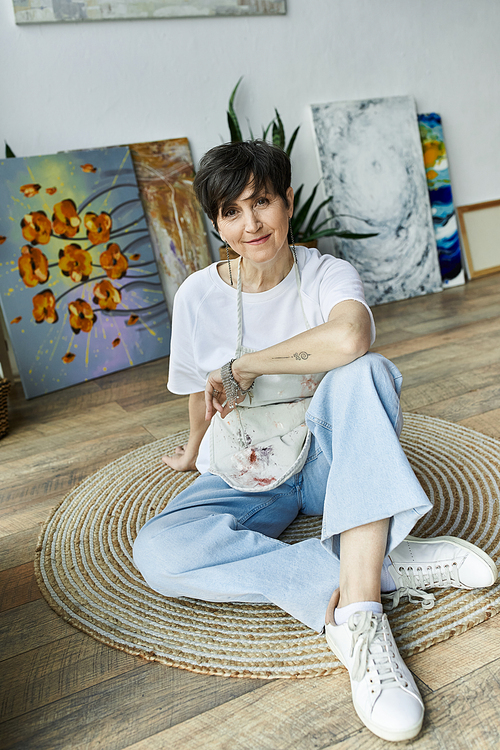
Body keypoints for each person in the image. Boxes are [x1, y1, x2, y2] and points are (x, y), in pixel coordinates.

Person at [133, 140, 497, 743]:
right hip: (248, 467)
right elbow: (202, 389)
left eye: (262, 202)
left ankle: (359, 617)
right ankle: (377, 565)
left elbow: (351, 338)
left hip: (325, 459)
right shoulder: (199, 294)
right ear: (216, 223)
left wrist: (246, 364)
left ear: (288, 202)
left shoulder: (326, 272)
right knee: (161, 554)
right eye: (230, 212)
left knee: (367, 374)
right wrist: (194, 450)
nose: (250, 224)